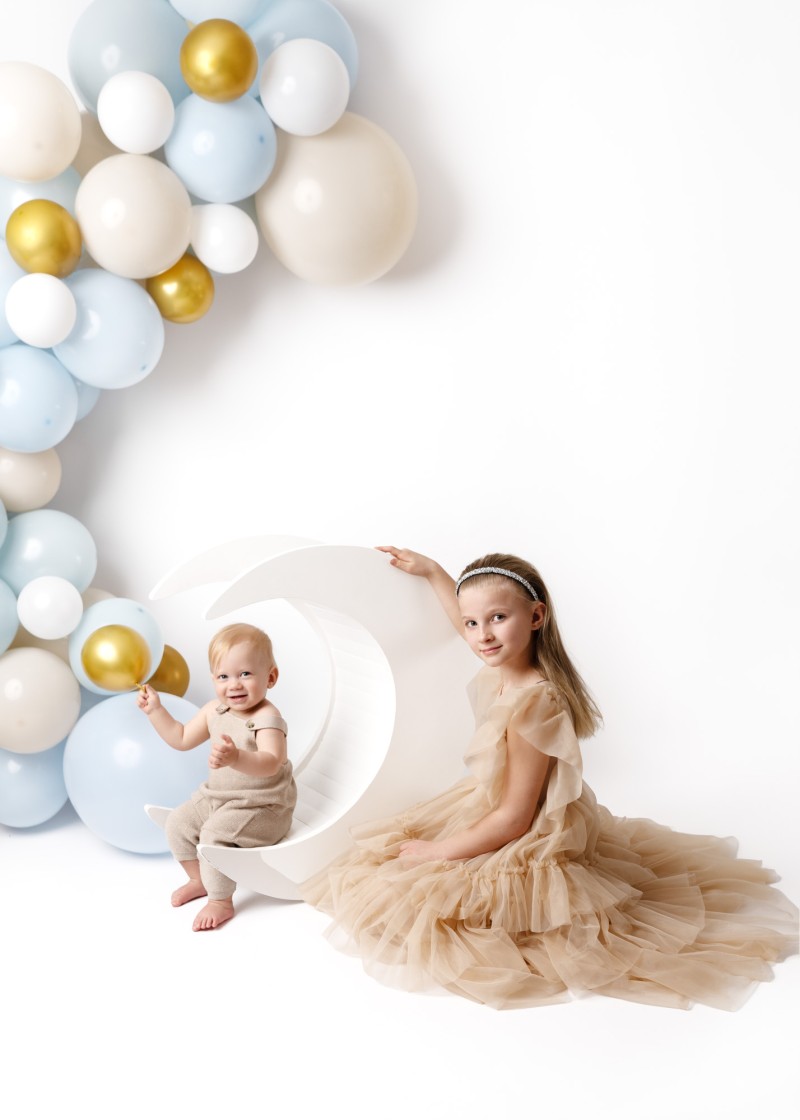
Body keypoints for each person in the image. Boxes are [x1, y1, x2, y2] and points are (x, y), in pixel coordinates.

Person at [302, 547, 798, 1009]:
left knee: (429, 895)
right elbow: (472, 620)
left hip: (526, 826)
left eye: (498, 618)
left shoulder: (533, 703)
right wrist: (433, 571)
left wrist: (439, 851)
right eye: (473, 624)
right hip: (498, 806)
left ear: (536, 617)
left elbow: (516, 819)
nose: (482, 636)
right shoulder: (506, 659)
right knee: (394, 872)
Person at [138, 623, 296, 931]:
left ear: (270, 677)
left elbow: (271, 762)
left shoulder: (267, 718)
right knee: (178, 823)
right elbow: (181, 738)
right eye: (224, 676)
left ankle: (221, 900)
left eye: (245, 674)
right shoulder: (215, 711)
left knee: (213, 837)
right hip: (218, 798)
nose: (234, 685)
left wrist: (236, 758)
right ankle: (199, 880)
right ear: (213, 679)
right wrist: (156, 711)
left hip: (263, 808)